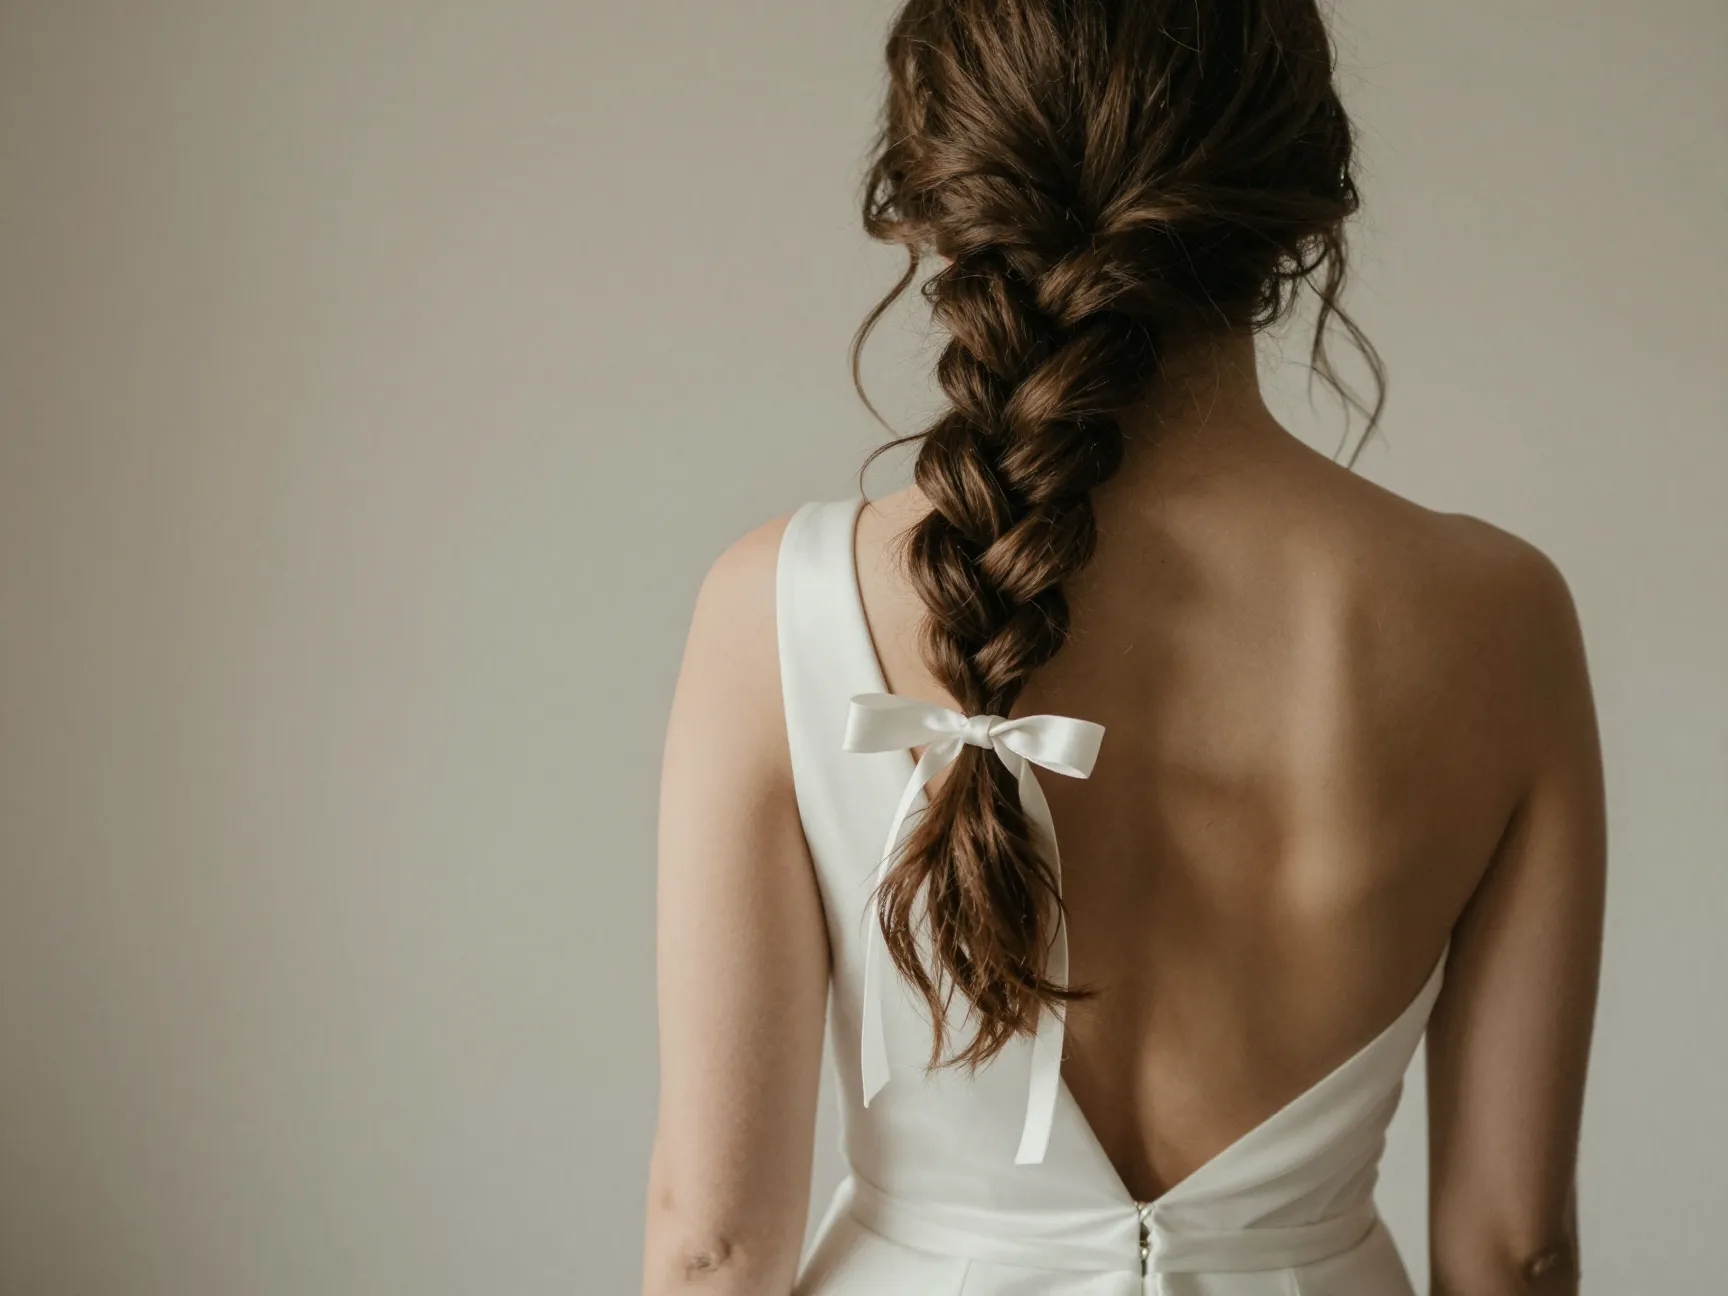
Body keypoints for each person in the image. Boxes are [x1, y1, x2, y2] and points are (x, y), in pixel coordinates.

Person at [642, 2, 1605, 1293]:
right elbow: (1515, 1249)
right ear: (1308, 187)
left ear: (928, 182)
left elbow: (713, 1245)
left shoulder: (780, 603)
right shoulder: (1501, 618)